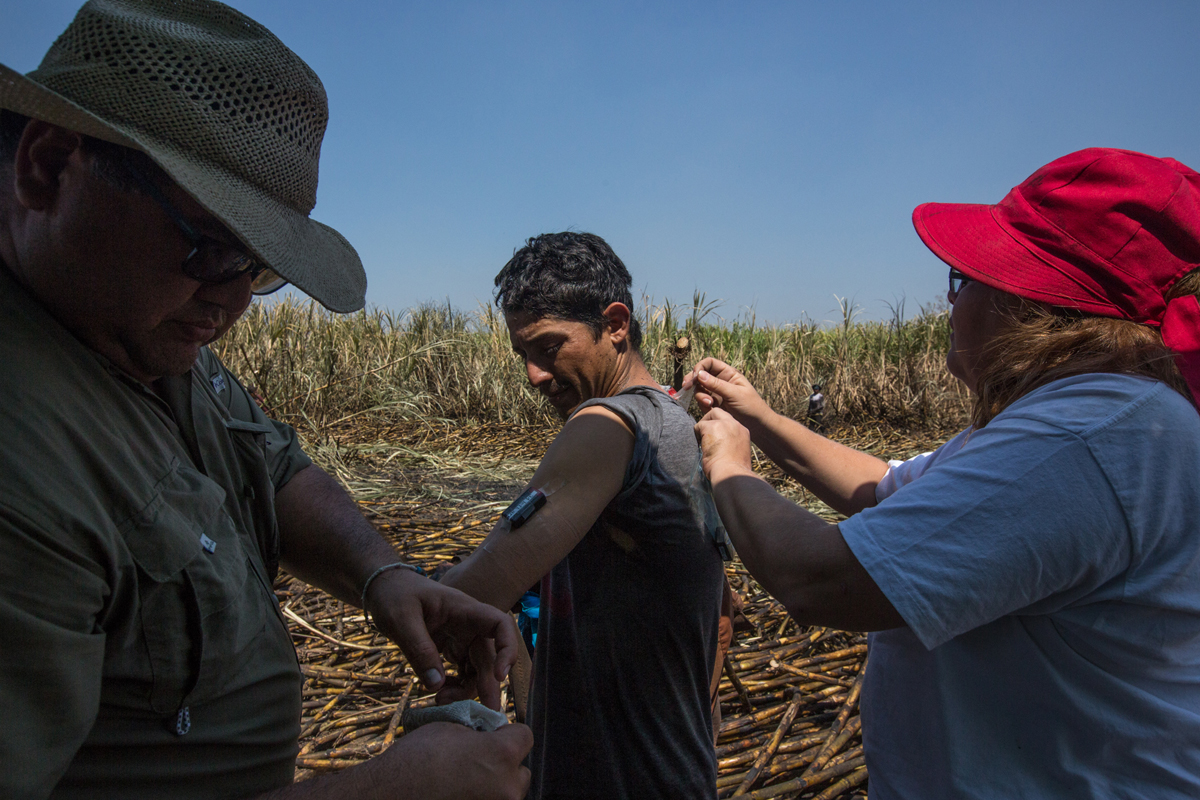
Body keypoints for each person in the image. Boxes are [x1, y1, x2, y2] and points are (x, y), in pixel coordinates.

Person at [0, 1, 531, 798]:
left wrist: (382, 576)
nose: (234, 301)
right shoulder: (22, 456)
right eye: (211, 248)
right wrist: (387, 792)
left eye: (257, 268)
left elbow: (271, 463)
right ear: (48, 166)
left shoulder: (135, 325)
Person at [688, 148, 1200, 798]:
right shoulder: (1079, 418)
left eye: (964, 278)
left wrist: (728, 464)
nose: (951, 299)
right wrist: (757, 416)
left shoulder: (1087, 435)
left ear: (1026, 303)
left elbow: (821, 579)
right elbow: (880, 486)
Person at [440, 232, 726, 799]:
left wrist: (401, 586)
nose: (534, 375)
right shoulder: (676, 425)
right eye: (523, 355)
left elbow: (481, 585)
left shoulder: (607, 424)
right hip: (674, 768)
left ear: (615, 324)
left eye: (549, 347)